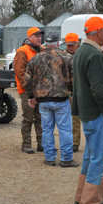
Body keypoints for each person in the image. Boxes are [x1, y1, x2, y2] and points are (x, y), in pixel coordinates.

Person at [72, 17, 103, 204]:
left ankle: (82, 197)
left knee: (91, 156)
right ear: (98, 32)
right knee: (101, 158)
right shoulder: (95, 55)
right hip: (98, 115)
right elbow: (100, 90)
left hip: (88, 113)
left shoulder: (81, 52)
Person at [24, 32, 75, 167]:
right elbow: (74, 79)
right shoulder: (67, 57)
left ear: (45, 44)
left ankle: (50, 157)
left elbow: (27, 79)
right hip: (61, 99)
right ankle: (66, 158)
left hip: (44, 100)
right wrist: (72, 94)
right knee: (65, 129)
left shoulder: (35, 58)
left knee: (46, 129)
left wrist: (31, 96)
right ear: (58, 43)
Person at [13, 27, 44, 154]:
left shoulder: (42, 50)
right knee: (28, 117)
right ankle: (26, 144)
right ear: (29, 37)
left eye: (40, 35)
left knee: (40, 117)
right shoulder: (22, 51)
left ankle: (41, 144)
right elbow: (19, 72)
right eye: (36, 36)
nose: (39, 38)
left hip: (41, 90)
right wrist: (28, 89)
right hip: (27, 91)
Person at [64, 33, 82, 152]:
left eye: (72, 45)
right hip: (65, 91)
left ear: (78, 43)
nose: (70, 47)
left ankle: (75, 142)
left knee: (75, 118)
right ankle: (67, 142)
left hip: (78, 90)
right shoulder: (63, 56)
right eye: (68, 45)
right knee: (65, 119)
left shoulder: (81, 55)